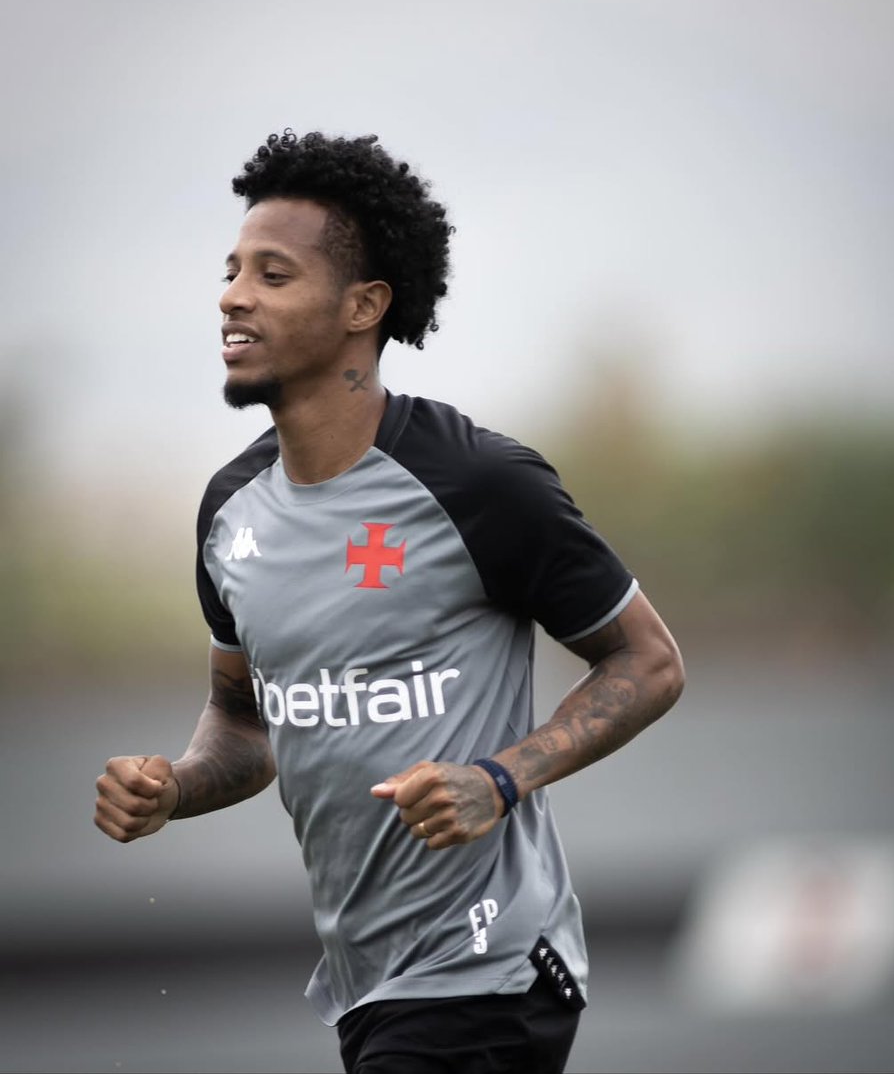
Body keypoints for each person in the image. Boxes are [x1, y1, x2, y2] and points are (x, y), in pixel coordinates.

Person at [94, 129, 685, 1074]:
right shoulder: (229, 511)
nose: (233, 295)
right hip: (367, 987)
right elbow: (243, 722)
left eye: (273, 274)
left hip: (486, 971)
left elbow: (647, 662)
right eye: (232, 271)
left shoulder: (479, 482)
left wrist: (498, 778)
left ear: (364, 305)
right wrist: (176, 784)